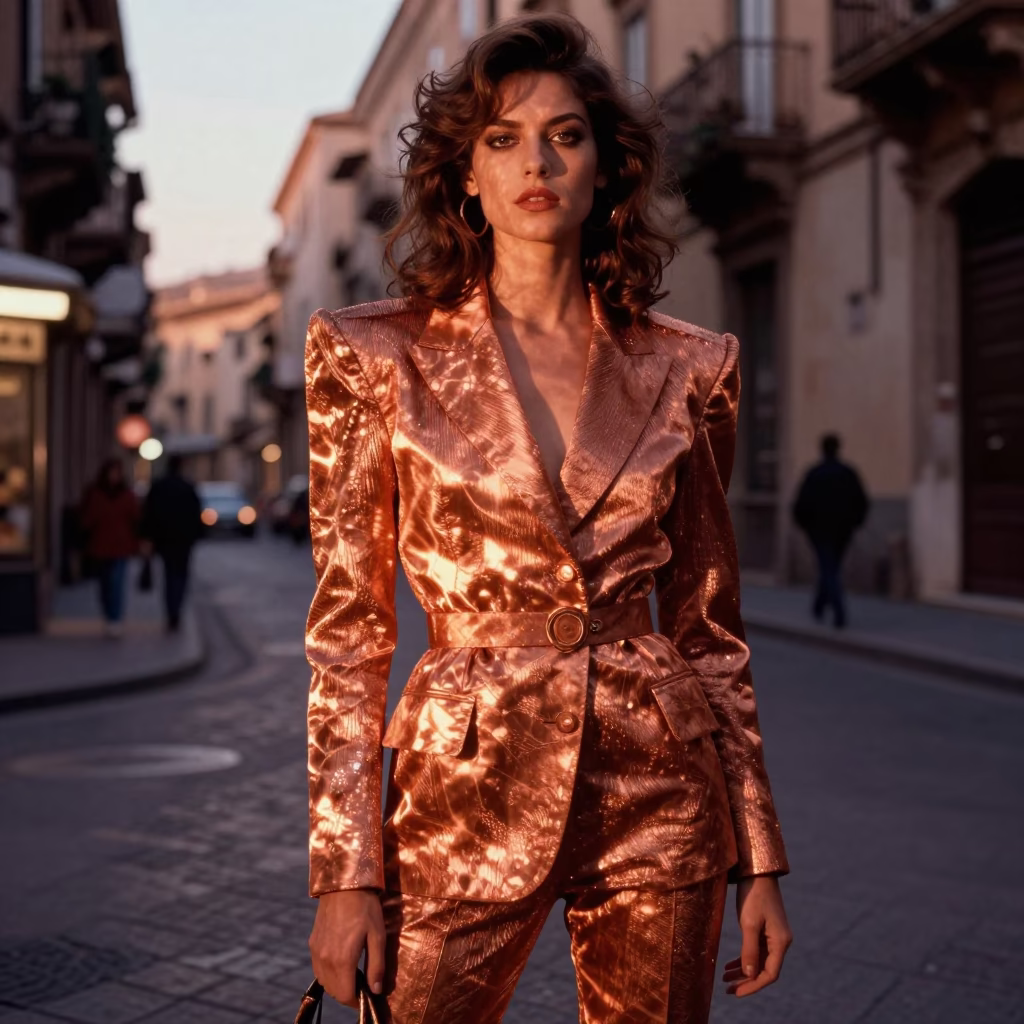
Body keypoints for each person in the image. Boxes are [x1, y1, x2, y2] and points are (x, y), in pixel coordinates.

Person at [305, 15, 791, 1023]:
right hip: (462, 786)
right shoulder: (373, 355)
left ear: (606, 168)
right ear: (464, 176)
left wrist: (757, 854)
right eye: (502, 138)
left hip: (660, 787)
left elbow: (709, 629)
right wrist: (345, 870)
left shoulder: (691, 367)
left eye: (566, 135)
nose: (536, 160)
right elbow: (348, 637)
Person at [793, 433, 870, 629]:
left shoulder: (814, 474)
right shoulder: (847, 473)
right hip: (843, 529)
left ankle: (838, 610)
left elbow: (801, 503)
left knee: (828, 567)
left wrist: (804, 525)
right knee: (831, 566)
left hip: (819, 530)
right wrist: (856, 523)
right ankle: (820, 605)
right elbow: (861, 501)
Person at [140, 454, 202, 633]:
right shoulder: (187, 487)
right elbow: (196, 514)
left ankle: (171, 610)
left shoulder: (159, 487)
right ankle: (176, 609)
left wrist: (148, 537)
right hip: (183, 540)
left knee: (169, 575)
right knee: (181, 575)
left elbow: (148, 513)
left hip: (165, 539)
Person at [79, 458, 140, 638]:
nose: (114, 476)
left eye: (117, 473)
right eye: (112, 473)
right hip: (100, 546)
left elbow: (135, 519)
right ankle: (109, 614)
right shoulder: (96, 494)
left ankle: (115, 618)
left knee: (117, 583)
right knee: (105, 584)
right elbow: (86, 520)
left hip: (121, 546)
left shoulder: (126, 495)